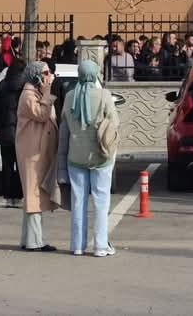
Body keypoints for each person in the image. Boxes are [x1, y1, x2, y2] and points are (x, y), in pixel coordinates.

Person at [57, 59, 119, 257]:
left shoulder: (69, 97)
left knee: (78, 202)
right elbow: (114, 122)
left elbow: (64, 130)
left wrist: (61, 159)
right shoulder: (104, 95)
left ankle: (77, 245)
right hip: (100, 157)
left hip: (75, 157)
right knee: (101, 202)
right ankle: (100, 245)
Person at [15, 60, 61, 252]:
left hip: (38, 151)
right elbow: (41, 114)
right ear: (35, 76)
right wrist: (48, 92)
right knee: (33, 196)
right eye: (44, 73)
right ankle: (35, 241)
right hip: (31, 152)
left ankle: (28, 239)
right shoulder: (28, 95)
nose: (48, 76)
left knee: (34, 196)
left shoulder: (36, 93)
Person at [0, 57, 27, 208]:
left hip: (5, 133)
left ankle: (8, 197)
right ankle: (18, 197)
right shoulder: (25, 87)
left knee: (6, 166)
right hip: (21, 133)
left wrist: (0, 126)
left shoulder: (2, 86)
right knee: (20, 166)